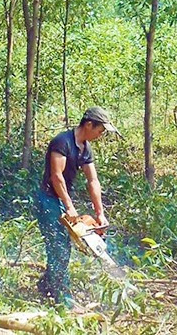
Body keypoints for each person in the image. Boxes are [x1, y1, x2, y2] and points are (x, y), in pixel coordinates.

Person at [35, 106, 120, 309]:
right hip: (48, 199)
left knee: (65, 246)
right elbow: (56, 176)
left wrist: (100, 213)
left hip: (62, 200)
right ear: (89, 124)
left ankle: (46, 284)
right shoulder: (62, 142)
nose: (101, 134)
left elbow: (93, 180)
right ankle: (62, 299)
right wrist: (69, 206)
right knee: (59, 248)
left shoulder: (85, 147)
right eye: (100, 130)